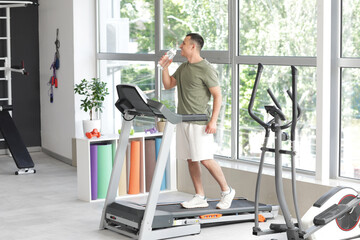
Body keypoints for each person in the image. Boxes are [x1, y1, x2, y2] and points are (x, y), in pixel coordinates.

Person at [158, 33, 235, 209]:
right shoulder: (184, 68)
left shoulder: (206, 68)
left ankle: (227, 191)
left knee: (205, 159)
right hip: (183, 120)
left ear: (193, 46)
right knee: (191, 160)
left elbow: (218, 95)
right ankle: (200, 195)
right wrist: (164, 68)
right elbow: (168, 84)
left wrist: (213, 121)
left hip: (200, 121)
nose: (180, 47)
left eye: (183, 43)